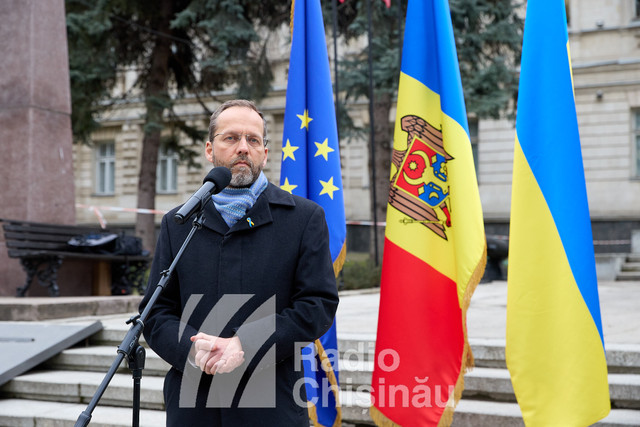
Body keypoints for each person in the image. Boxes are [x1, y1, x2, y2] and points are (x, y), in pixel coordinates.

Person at [139, 99, 339, 426]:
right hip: (194, 404)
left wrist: (244, 345)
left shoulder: (304, 219)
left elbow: (317, 305)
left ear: (265, 152)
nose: (243, 148)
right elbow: (157, 312)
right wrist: (193, 351)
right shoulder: (179, 223)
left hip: (271, 404)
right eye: (231, 138)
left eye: (253, 140)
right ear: (209, 149)